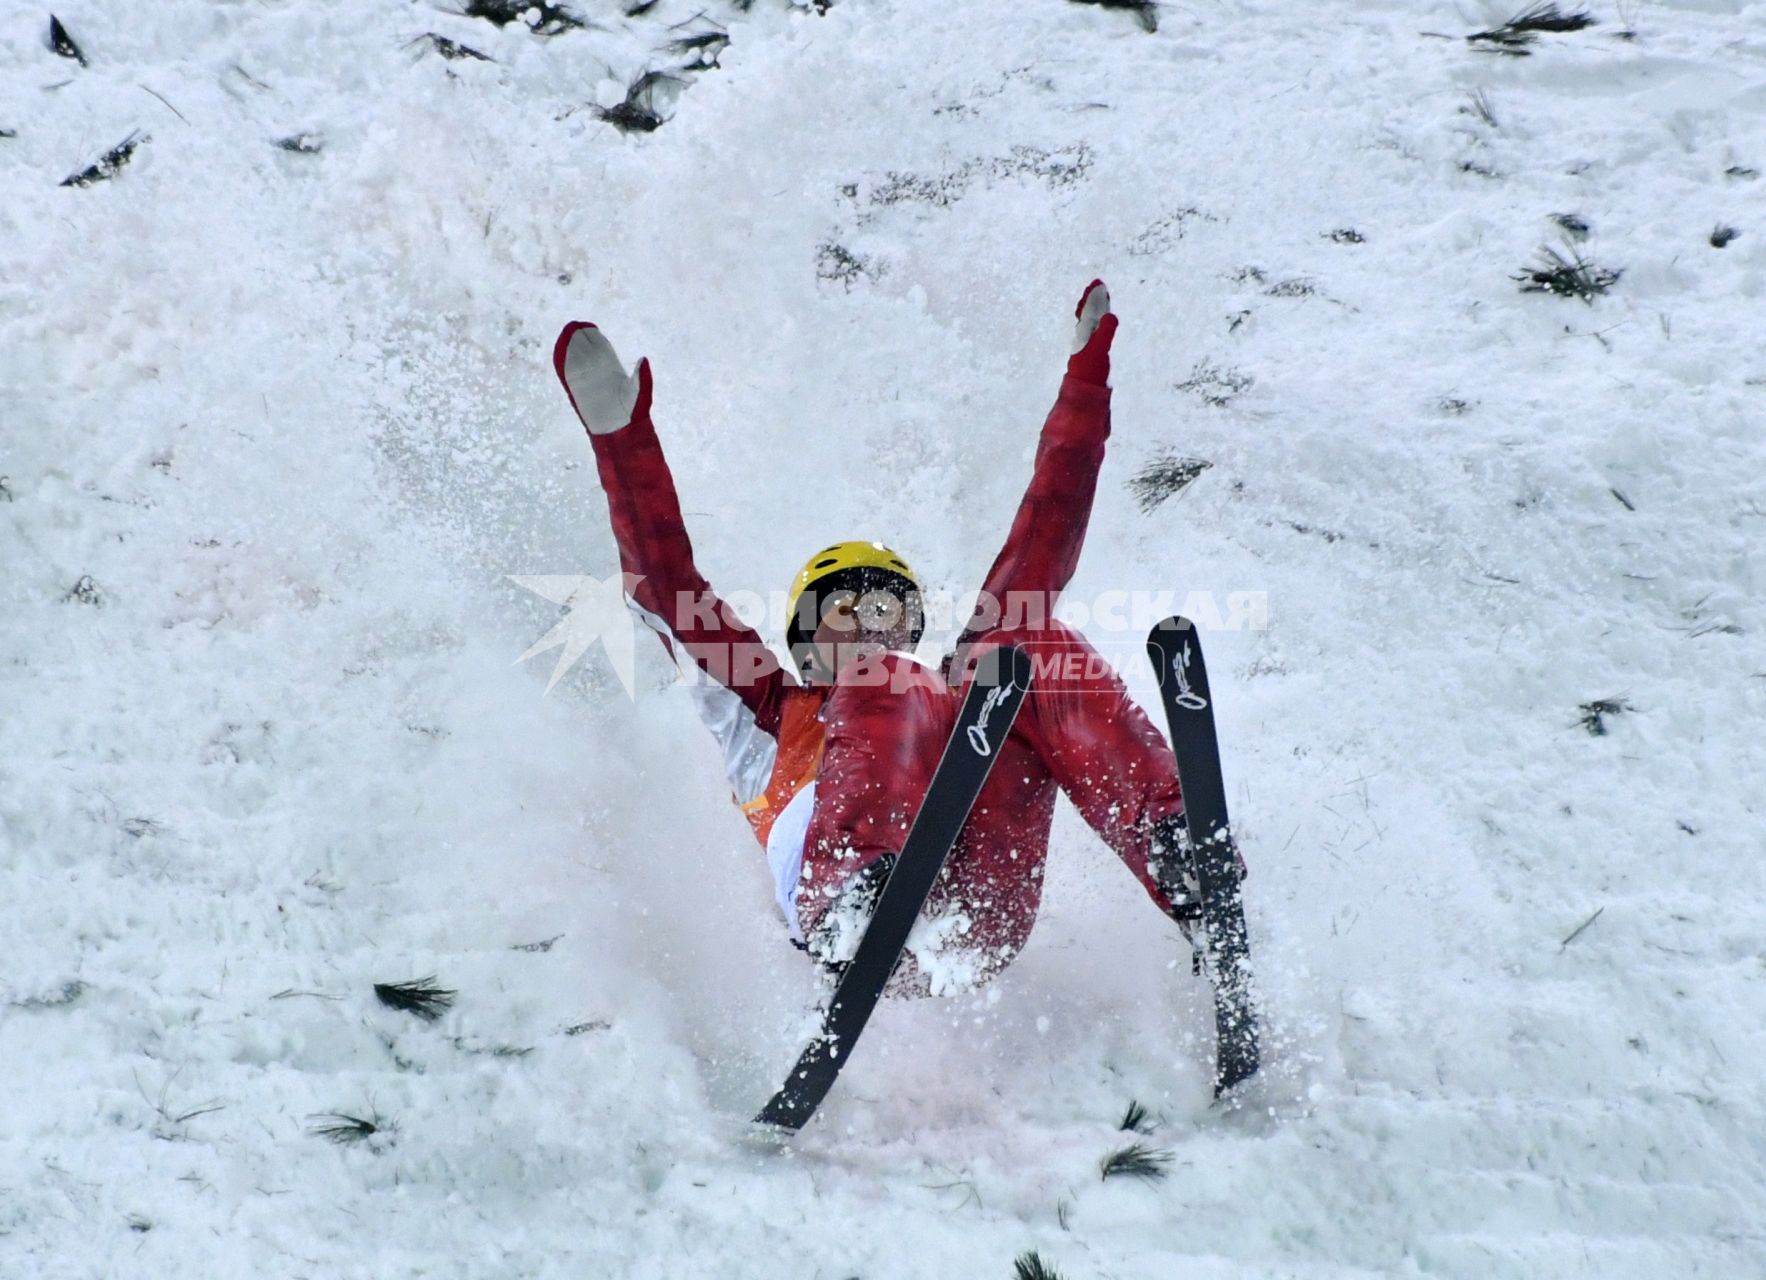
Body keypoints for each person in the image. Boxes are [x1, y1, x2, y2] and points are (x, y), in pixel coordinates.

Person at [552, 281, 1219, 992]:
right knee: (886, 679)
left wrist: (1084, 387)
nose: (874, 622)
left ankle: (1177, 846)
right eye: (850, 607)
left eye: (890, 611)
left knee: (1029, 644)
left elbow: (1041, 538)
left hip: (980, 909)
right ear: (806, 642)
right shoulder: (763, 706)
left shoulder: (959, 687)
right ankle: (853, 894)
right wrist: (621, 442)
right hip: (836, 905)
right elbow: (666, 585)